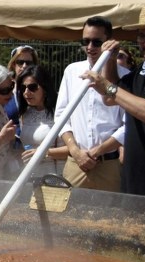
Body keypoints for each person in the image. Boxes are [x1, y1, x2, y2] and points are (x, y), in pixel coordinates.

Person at [84, 2, 145, 197]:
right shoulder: (141, 71)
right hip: (134, 181)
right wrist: (110, 61)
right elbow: (110, 99)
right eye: (142, 36)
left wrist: (107, 85)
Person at [55, 16, 127, 192]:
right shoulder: (72, 71)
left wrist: (99, 150)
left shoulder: (125, 75)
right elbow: (61, 115)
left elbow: (129, 124)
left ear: (108, 42)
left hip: (108, 164)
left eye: (96, 42)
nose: (89, 47)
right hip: (75, 162)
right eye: (85, 41)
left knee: (109, 216)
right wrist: (74, 150)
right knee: (67, 215)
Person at [17, 65, 66, 178]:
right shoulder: (26, 113)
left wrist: (42, 153)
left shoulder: (59, 113)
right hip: (28, 177)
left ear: (45, 87)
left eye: (32, 87)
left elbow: (72, 149)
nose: (26, 92)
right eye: (23, 88)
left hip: (54, 178)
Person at [5, 45, 39, 124]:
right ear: (13, 64)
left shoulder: (40, 88)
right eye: (20, 62)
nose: (24, 66)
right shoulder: (5, 88)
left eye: (29, 63)